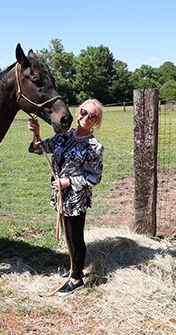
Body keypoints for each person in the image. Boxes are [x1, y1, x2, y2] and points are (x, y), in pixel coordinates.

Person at [28, 98, 104, 296]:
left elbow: (94, 177)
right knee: (69, 237)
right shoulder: (63, 137)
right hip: (60, 196)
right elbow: (39, 148)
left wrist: (68, 182)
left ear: (96, 121)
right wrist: (36, 132)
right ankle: (73, 268)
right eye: (84, 112)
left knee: (75, 237)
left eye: (92, 116)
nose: (86, 117)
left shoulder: (94, 146)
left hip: (76, 199)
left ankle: (77, 278)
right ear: (79, 112)